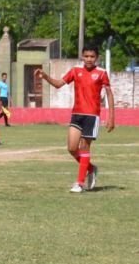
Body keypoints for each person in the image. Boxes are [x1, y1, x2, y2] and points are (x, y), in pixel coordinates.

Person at [34, 46, 115, 193]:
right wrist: (45, 76)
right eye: (86, 56)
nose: (89, 59)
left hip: (92, 115)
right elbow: (58, 84)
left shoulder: (102, 73)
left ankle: (79, 183)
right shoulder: (75, 71)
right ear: (82, 57)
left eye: (92, 56)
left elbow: (109, 94)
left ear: (96, 58)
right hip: (77, 114)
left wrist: (111, 117)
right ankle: (91, 168)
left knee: (84, 147)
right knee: (71, 148)